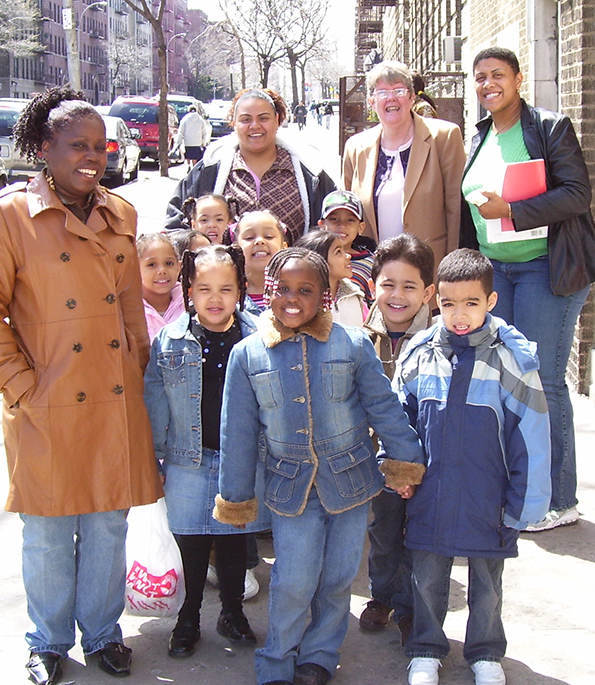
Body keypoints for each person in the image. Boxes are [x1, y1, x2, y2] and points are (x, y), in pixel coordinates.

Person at [0, 87, 164, 685]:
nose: (93, 157)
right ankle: (47, 641)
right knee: (49, 529)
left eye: (101, 147)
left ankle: (102, 634)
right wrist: (20, 384)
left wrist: (136, 365)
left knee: (107, 523)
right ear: (43, 148)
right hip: (46, 397)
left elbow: (131, 305)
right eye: (78, 145)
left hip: (113, 395)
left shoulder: (121, 213)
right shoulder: (9, 214)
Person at [214, 247, 426, 685]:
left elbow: (383, 408)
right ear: (268, 291)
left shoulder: (353, 344)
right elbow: (237, 434)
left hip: (351, 484)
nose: (293, 299)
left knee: (338, 578)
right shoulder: (247, 354)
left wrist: (406, 462)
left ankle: (319, 657)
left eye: (306, 290)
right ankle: (276, 661)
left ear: (326, 297)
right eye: (283, 289)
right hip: (291, 490)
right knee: (293, 580)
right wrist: (236, 498)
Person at [461, 46, 595, 532]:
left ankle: (560, 499)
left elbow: (577, 194)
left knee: (543, 380)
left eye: (497, 75)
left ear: (519, 79)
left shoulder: (550, 127)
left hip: (547, 269)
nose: (488, 85)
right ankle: (522, 486)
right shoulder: (479, 135)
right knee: (508, 380)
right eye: (480, 77)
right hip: (497, 272)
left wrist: (513, 212)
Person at [394, 249, 551, 685]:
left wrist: (526, 503)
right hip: (431, 493)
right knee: (426, 577)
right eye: (448, 304)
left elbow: (533, 437)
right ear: (435, 302)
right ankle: (425, 648)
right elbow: (398, 420)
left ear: (491, 301)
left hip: (489, 495)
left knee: (487, 583)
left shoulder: (512, 361)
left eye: (471, 303)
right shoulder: (419, 354)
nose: (459, 315)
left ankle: (485, 652)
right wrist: (399, 472)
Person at [144, 244, 267, 659]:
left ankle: (232, 613)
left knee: (234, 540)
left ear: (240, 291)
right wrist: (156, 459)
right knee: (191, 542)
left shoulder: (257, 336)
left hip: (239, 459)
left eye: (226, 289)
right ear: (189, 291)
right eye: (204, 289)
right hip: (186, 459)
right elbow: (156, 398)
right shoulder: (172, 340)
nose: (215, 299)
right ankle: (188, 617)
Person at [358, 233, 436, 638]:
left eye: (410, 286)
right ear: (374, 286)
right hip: (378, 459)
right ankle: (383, 596)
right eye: (388, 284)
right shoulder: (358, 335)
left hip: (426, 454)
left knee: (419, 535)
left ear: (428, 292)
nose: (397, 295)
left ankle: (411, 607)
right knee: (384, 530)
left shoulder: (441, 339)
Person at [165, 88, 336, 238]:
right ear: (234, 123)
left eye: (263, 118)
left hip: (293, 274)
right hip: (225, 274)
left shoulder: (309, 171)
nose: (255, 126)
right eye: (246, 120)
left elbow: (338, 222)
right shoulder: (210, 170)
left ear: (277, 120)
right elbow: (176, 221)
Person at [343, 60, 467, 267]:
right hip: (375, 269)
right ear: (372, 102)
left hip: (430, 266)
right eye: (382, 92)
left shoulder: (444, 137)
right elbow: (346, 213)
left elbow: (456, 209)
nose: (391, 98)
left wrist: (453, 266)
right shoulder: (355, 147)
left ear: (411, 97)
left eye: (399, 90)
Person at [293, 229, 368, 327]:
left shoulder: (355, 295)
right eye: (338, 252)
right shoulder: (303, 301)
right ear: (320, 260)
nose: (348, 256)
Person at [317, 189, 376, 302]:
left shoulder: (370, 264)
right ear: (322, 224)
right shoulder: (311, 259)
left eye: (350, 220)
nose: (342, 225)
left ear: (361, 227)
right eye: (334, 219)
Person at [233, 209, 290, 314]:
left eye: (268, 236)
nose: (259, 241)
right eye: (249, 237)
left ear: (284, 247)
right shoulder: (230, 299)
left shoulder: (296, 294)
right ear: (236, 250)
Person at [138, 232, 185, 341]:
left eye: (169, 263)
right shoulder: (130, 309)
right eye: (151, 265)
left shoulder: (190, 304)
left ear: (178, 267)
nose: (162, 271)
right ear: (136, 268)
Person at [174, 105, 211, 169]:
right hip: (197, 142)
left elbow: (181, 131)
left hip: (188, 142)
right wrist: (204, 143)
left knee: (188, 155)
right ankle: (193, 168)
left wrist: (178, 142)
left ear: (189, 111)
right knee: (195, 157)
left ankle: (188, 165)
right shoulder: (201, 120)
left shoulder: (185, 119)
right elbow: (205, 132)